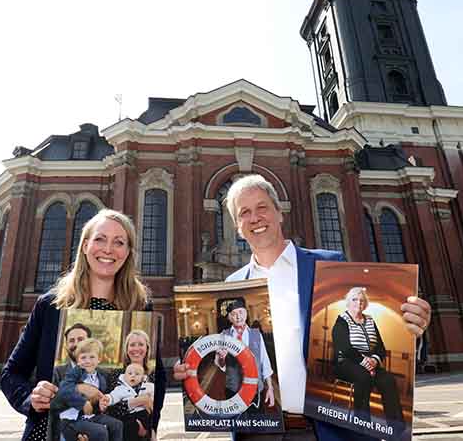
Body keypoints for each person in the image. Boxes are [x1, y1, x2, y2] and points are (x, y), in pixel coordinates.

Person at [174, 174, 431, 441]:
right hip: (257, 430)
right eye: (244, 213)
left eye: (262, 207)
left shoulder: (329, 266)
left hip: (325, 431)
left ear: (279, 213)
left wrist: (410, 326)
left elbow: (371, 328)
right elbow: (228, 362)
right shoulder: (232, 285)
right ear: (238, 226)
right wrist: (193, 369)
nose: (255, 218)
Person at [0, 209, 166, 441]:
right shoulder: (50, 305)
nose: (108, 249)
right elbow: (12, 373)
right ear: (85, 245)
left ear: (128, 252)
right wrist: (31, 398)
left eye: (119, 242)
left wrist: (150, 425)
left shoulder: (139, 307)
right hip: (48, 432)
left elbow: (156, 378)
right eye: (100, 239)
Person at [332, 287, 403, 423]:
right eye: (355, 300)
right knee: (363, 377)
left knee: (388, 380)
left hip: (370, 363)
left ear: (365, 304)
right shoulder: (342, 321)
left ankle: (396, 426)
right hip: (346, 362)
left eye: (362, 300)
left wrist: (374, 361)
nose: (358, 303)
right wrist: (365, 363)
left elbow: (380, 348)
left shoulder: (370, 320)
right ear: (348, 302)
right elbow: (344, 348)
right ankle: (362, 423)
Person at [214, 298, 275, 414]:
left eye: (241, 312)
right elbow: (220, 365)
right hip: (233, 389)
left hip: (255, 388)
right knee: (236, 422)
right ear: (230, 318)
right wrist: (221, 358)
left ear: (246, 314)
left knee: (256, 421)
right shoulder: (223, 336)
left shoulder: (256, 335)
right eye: (234, 314)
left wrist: (270, 388)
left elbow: (265, 362)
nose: (238, 317)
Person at [56, 338, 124, 441]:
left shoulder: (101, 378)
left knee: (117, 425)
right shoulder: (74, 373)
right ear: (78, 360)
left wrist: (102, 404)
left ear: (99, 359)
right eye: (83, 357)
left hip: (92, 416)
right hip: (73, 419)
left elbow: (99, 398)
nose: (87, 361)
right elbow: (64, 390)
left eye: (92, 357)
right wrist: (82, 402)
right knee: (101, 432)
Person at [105, 330, 155, 441]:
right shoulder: (117, 375)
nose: (136, 349)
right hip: (125, 427)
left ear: (147, 348)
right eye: (132, 345)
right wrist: (140, 401)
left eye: (141, 344)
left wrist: (147, 430)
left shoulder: (154, 375)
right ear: (127, 350)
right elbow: (111, 409)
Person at [105, 363, 154, 441]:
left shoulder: (149, 386)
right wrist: (107, 399)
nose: (133, 376)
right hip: (130, 415)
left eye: (137, 374)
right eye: (130, 373)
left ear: (142, 377)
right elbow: (113, 396)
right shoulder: (121, 388)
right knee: (130, 426)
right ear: (124, 377)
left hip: (145, 413)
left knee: (152, 422)